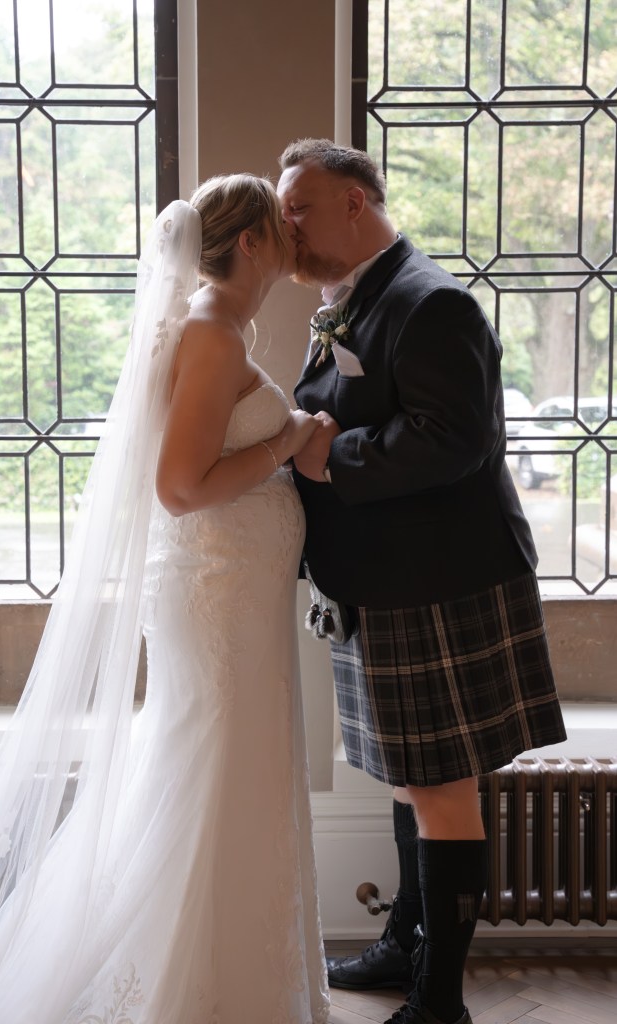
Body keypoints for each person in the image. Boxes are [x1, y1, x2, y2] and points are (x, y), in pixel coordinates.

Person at [0, 175, 329, 1023]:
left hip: (230, 593)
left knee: (219, 770)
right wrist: (289, 439)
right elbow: (180, 488)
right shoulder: (210, 331)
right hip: (217, 595)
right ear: (250, 241)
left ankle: (234, 977)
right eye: (281, 222)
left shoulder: (217, 326)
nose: (294, 236)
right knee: (213, 770)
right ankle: (190, 989)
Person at [277, 139, 567, 1024]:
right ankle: (409, 943)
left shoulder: (429, 300)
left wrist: (330, 458)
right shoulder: (355, 299)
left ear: (354, 202)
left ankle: (440, 1001)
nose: (287, 227)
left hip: (438, 584)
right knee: (409, 779)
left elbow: (454, 439)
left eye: (300, 208)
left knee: (440, 787)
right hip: (383, 580)